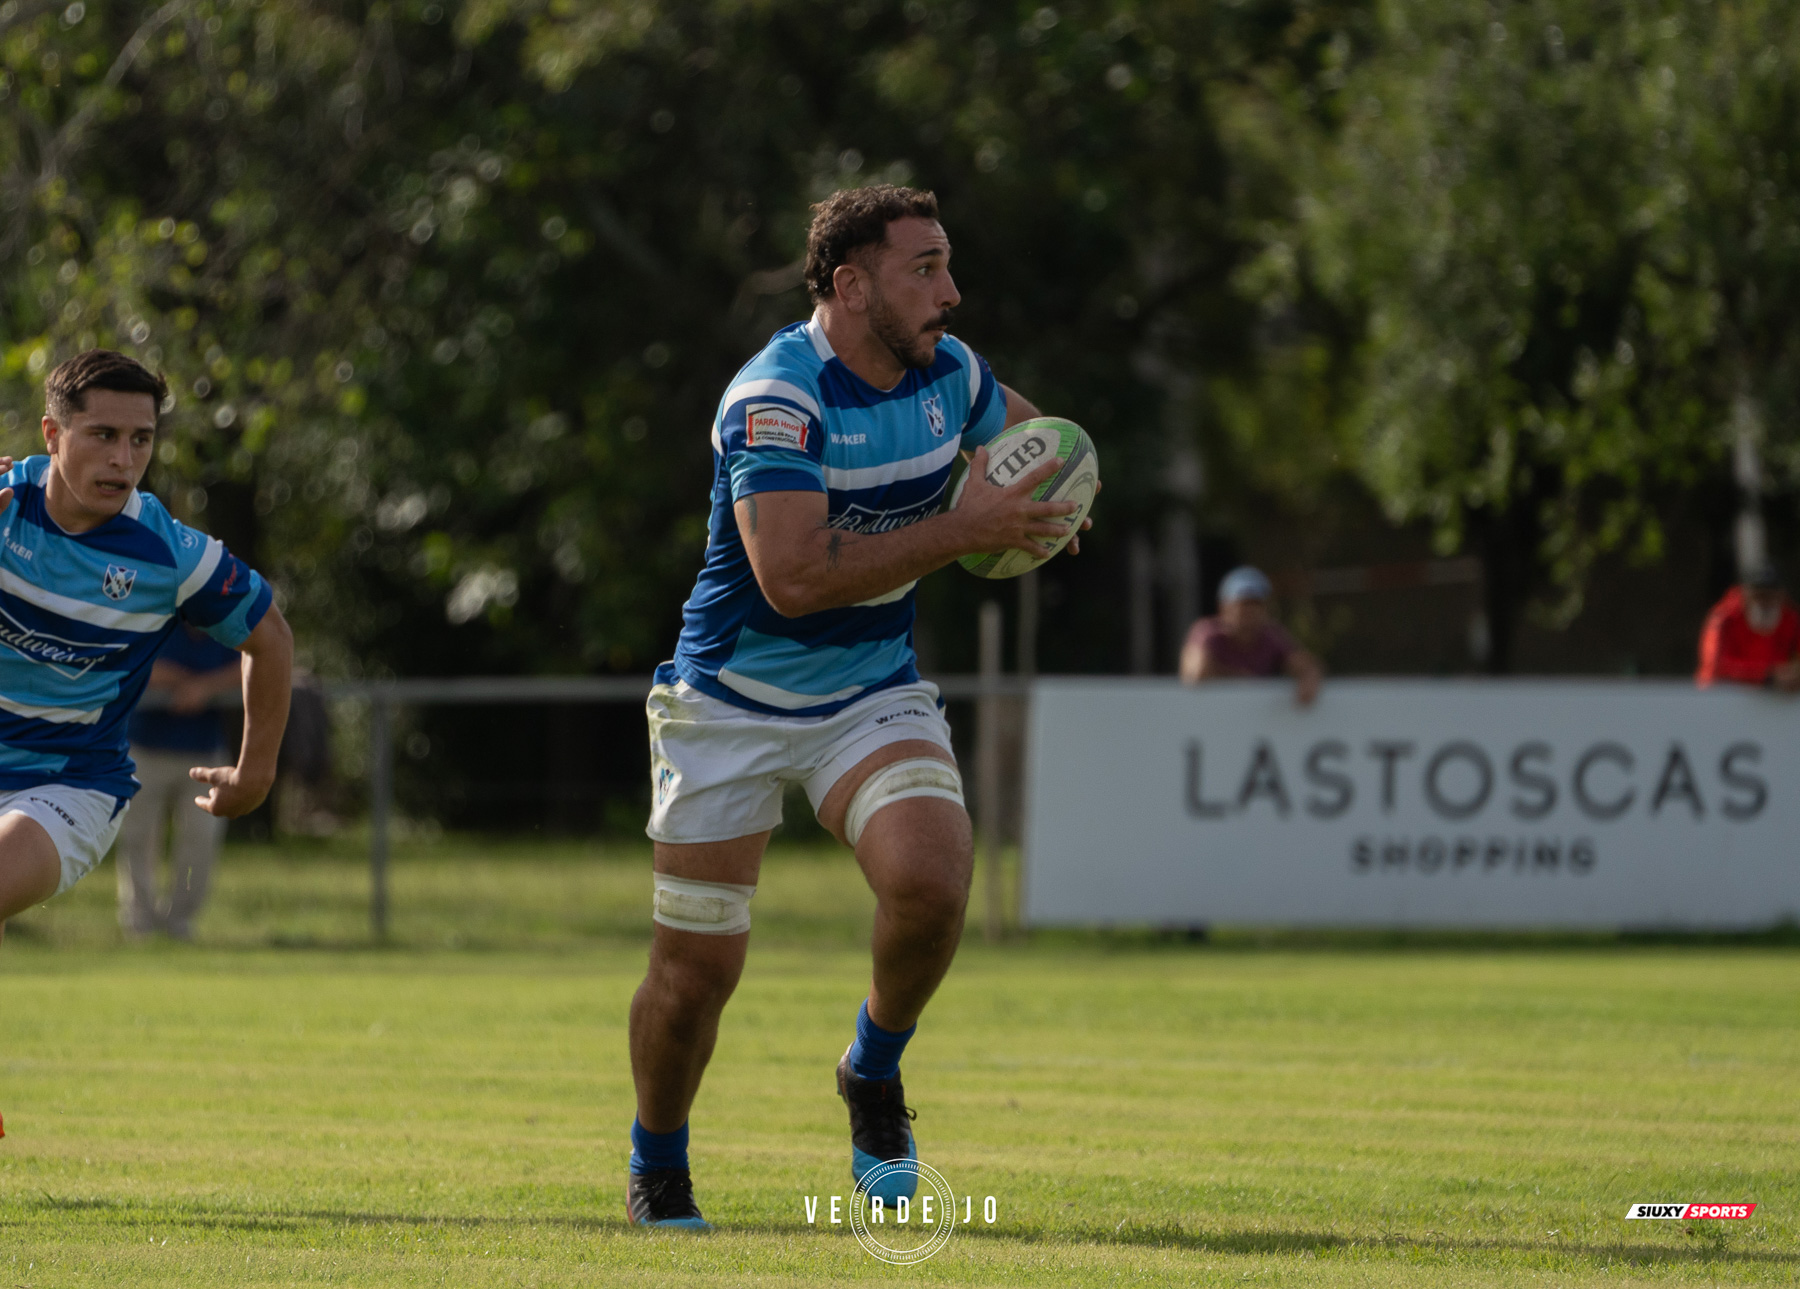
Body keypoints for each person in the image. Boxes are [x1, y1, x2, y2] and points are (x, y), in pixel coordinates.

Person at [626, 185, 1090, 1229]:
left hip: (869, 690)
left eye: (948, 264)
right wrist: (968, 525)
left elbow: (1035, 440)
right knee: (697, 970)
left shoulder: (953, 376)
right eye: (924, 269)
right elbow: (793, 576)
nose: (951, 293)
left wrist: (1055, 503)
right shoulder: (775, 399)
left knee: (931, 879)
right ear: (849, 284)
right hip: (729, 700)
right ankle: (657, 1163)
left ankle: (871, 1072)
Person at [0, 349, 292, 950]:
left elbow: (272, 639)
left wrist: (256, 772)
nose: (123, 459)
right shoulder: (5, 507)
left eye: (141, 439)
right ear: (52, 434)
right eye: (103, 435)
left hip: (70, 784)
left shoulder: (171, 556)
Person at [115, 623, 243, 940]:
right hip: (145, 749)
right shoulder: (156, 620)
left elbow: (253, 664)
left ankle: (179, 922)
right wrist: (184, 682)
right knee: (138, 837)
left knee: (199, 839)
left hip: (204, 755)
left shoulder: (227, 625)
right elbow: (134, 664)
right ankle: (139, 923)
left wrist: (205, 687)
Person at [1179, 565, 1322, 705]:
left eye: (1255, 604)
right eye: (1242, 603)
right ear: (1223, 607)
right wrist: (1242, 681)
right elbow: (1194, 674)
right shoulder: (1208, 632)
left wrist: (1308, 678)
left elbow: (1306, 666)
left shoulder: (1271, 636)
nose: (1249, 611)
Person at [1696, 565, 1800, 690]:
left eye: (1770, 595)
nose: (1764, 602)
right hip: (1724, 696)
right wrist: (1767, 676)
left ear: (1781, 596)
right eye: (1759, 595)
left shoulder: (1791, 619)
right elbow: (1715, 668)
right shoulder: (1725, 618)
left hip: (1774, 698)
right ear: (1746, 594)